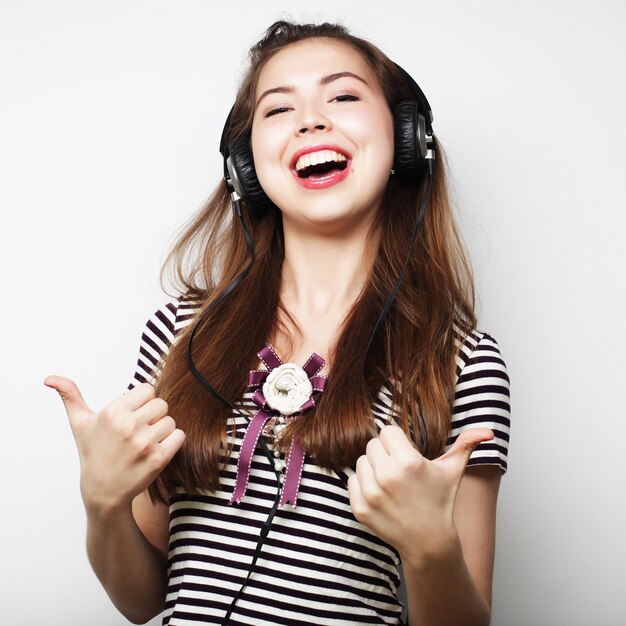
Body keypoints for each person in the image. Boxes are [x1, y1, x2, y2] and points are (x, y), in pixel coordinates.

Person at [45, 20, 510, 626]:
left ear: (406, 138)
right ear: (245, 165)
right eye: (279, 109)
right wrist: (102, 503)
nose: (311, 121)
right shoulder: (181, 333)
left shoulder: (461, 360)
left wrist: (429, 548)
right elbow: (145, 602)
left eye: (343, 97)